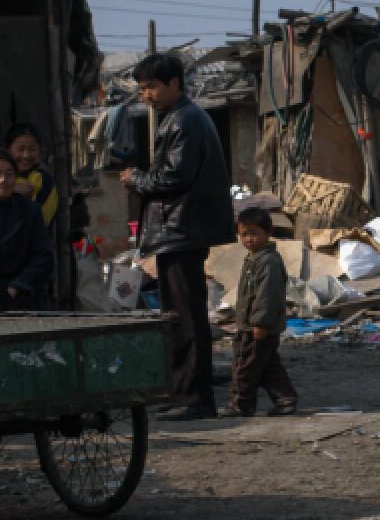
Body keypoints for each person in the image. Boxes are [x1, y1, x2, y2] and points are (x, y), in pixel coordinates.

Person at [121, 53, 235, 421]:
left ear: (174, 84)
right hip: (179, 230)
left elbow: (174, 177)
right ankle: (183, 392)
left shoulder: (185, 120)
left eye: (152, 87)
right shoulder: (180, 117)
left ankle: (195, 399)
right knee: (179, 316)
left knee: (186, 318)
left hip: (181, 230)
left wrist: (135, 179)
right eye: (142, 89)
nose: (147, 95)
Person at [219, 207, 297, 418]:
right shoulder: (254, 259)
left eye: (254, 233)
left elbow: (266, 296)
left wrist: (260, 323)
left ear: (268, 232)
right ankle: (286, 400)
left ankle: (241, 405)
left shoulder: (268, 261)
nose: (248, 239)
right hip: (252, 325)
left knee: (245, 367)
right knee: (267, 365)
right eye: (244, 234)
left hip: (259, 326)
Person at [0, 147, 53, 313]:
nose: (3, 180)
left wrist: (17, 287)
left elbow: (43, 257)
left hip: (22, 296)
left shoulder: (30, 212)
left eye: (9, 174)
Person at [5, 123, 57, 228]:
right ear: (7, 150)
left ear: (39, 151)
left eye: (32, 150)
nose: (26, 155)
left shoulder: (45, 180)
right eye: (20, 149)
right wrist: (10, 190)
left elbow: (41, 221)